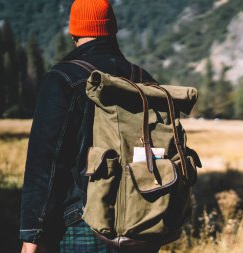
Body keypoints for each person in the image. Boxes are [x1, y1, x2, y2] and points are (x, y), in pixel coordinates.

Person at [20, 0, 158, 252]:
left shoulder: (64, 78)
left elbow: (46, 162)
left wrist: (32, 236)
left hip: (85, 220)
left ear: (74, 32)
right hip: (143, 221)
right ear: (112, 31)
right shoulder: (143, 80)